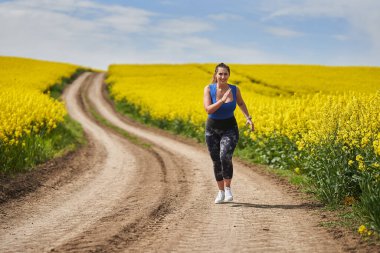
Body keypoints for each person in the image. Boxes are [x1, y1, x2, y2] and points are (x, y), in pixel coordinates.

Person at [203, 63, 254, 204]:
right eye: (220, 74)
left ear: (229, 75)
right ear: (215, 75)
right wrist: (222, 100)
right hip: (212, 129)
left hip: (230, 128)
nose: (223, 76)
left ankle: (228, 188)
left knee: (225, 156)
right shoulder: (208, 89)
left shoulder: (234, 89)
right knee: (216, 161)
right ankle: (220, 192)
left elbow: (241, 103)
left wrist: (248, 118)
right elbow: (208, 110)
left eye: (226, 74)